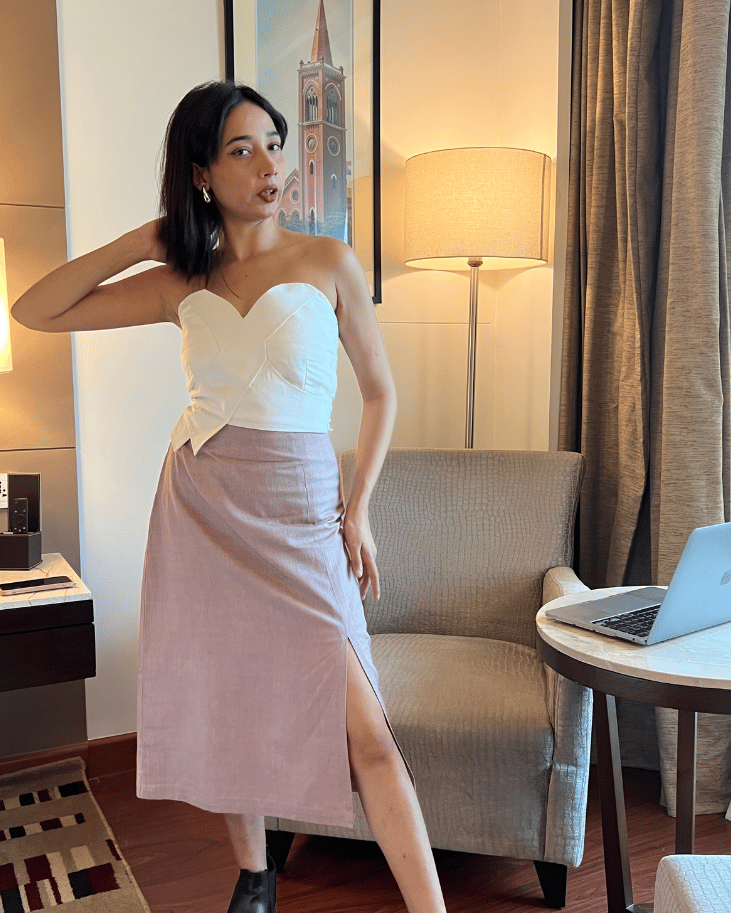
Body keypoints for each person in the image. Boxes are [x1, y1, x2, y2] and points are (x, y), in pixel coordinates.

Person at [11, 81, 449, 913]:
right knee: (229, 696)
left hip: (303, 512)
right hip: (203, 510)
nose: (268, 165)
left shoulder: (329, 262)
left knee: (369, 737)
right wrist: (139, 243)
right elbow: (35, 311)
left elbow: (381, 395)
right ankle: (255, 876)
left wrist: (357, 508)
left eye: (273, 144)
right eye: (242, 150)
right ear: (203, 173)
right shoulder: (184, 280)